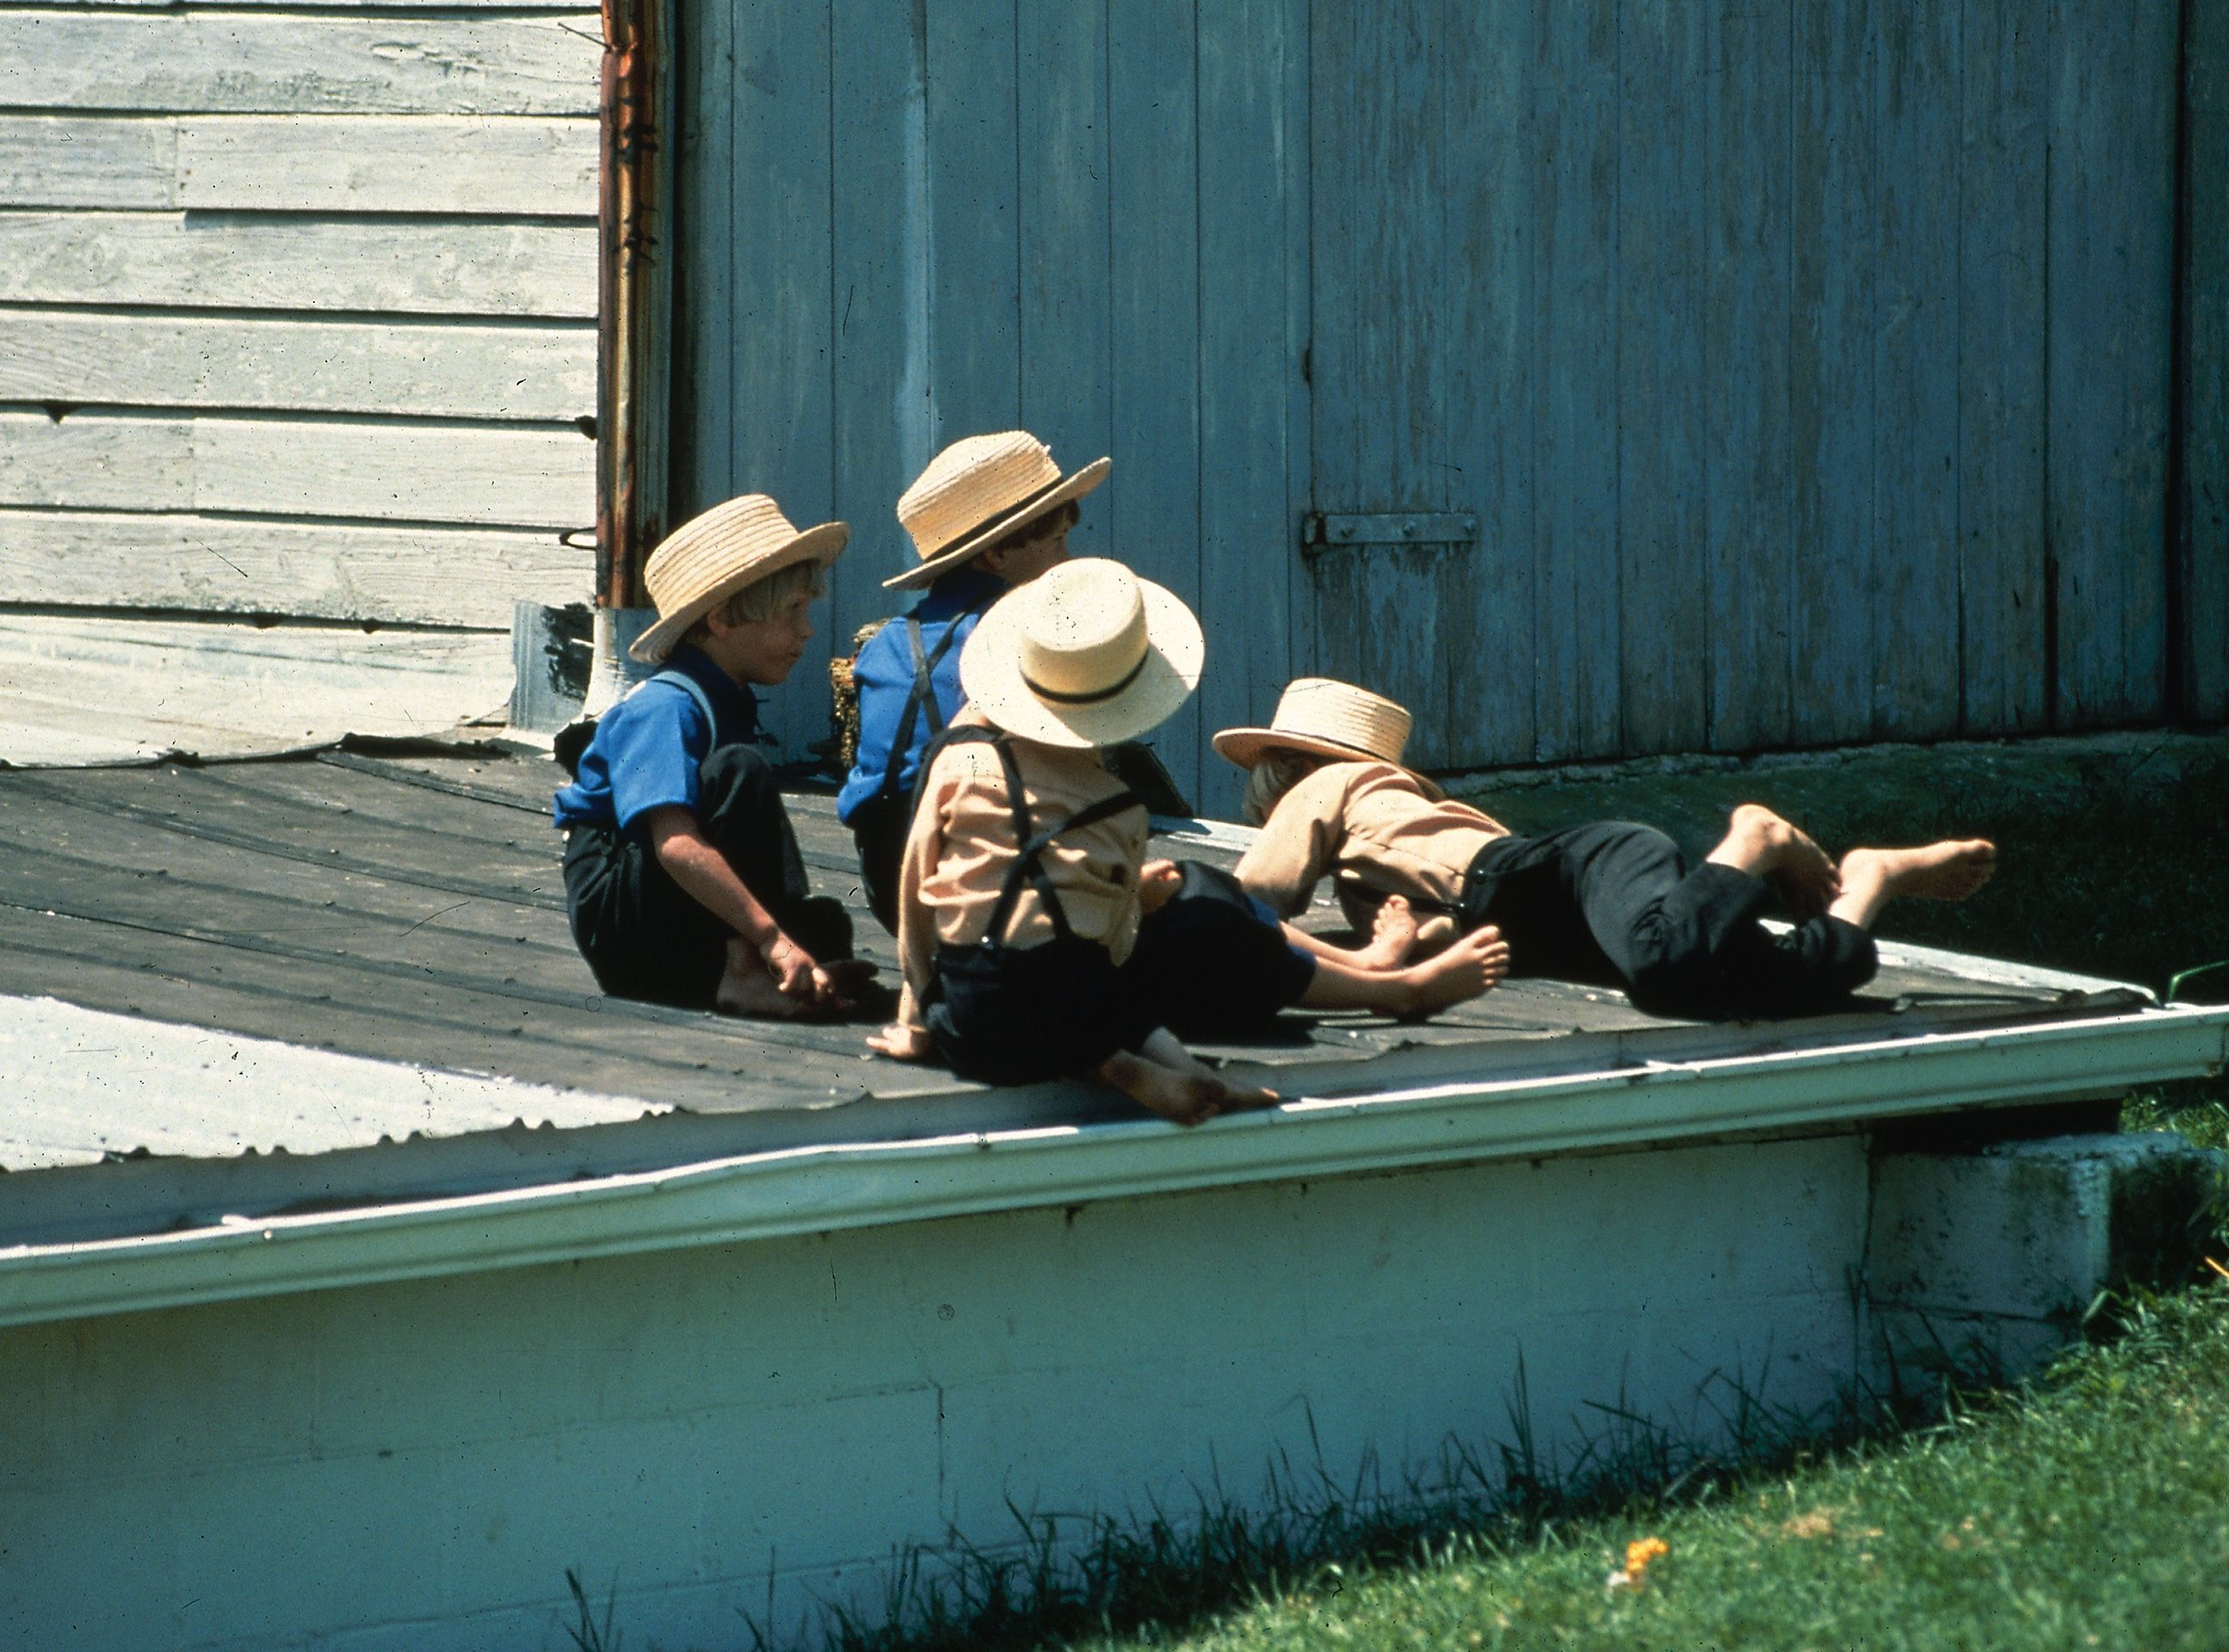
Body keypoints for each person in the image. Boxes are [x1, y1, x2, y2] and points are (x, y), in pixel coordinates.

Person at [1217, 678, 1998, 1022]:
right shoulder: (1391, 844)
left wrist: (1174, 925)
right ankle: (1873, 880)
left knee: (1662, 966)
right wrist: (1395, 949)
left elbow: (1246, 905)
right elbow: (1448, 931)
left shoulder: (1330, 785)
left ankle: (1755, 836)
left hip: (1566, 871)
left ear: (1284, 773)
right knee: (1740, 984)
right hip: (1553, 913)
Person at [864, 558, 1275, 1125]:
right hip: (1079, 1016)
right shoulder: (1124, 807)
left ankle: (1111, 1064)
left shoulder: (962, 762)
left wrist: (915, 1019)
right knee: (1095, 983)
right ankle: (1175, 1066)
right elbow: (1117, 946)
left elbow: (915, 896)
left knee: (1019, 986)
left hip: (973, 1020)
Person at [554, 494, 874, 1018]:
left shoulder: (725, 700)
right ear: (723, 619)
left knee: (827, 925)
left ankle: (768, 972)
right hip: (623, 933)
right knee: (738, 771)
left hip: (669, 924)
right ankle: (744, 974)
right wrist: (771, 939)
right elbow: (676, 846)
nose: (808, 630)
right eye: (792, 610)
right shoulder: (665, 706)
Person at [837, 430, 1104, 933]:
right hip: (981, 883)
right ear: (997, 555)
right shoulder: (1019, 635)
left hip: (888, 882)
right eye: (1056, 541)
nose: (1067, 557)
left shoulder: (885, 642)